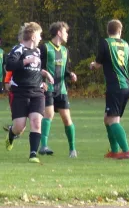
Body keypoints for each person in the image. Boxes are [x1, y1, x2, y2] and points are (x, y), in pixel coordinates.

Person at [5, 22, 54, 163]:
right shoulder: (18, 49)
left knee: (36, 122)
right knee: (19, 127)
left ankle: (33, 154)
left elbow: (35, 69)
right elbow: (10, 65)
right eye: (39, 35)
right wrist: (25, 61)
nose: (40, 38)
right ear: (33, 36)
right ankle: (11, 133)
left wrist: (45, 75)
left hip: (37, 92)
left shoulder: (37, 52)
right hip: (19, 92)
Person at [90, 19, 129, 159]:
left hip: (115, 86)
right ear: (120, 31)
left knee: (112, 120)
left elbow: (98, 63)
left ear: (108, 31)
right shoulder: (126, 45)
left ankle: (126, 151)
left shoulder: (105, 43)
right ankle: (114, 151)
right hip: (126, 85)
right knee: (108, 118)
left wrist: (92, 65)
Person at [39, 21, 78, 157]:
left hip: (61, 89)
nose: (67, 35)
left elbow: (65, 69)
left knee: (67, 119)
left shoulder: (65, 50)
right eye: (65, 32)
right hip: (48, 87)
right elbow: (39, 68)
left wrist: (70, 74)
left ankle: (72, 150)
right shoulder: (44, 48)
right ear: (59, 33)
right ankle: (43, 146)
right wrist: (41, 82)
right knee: (48, 114)